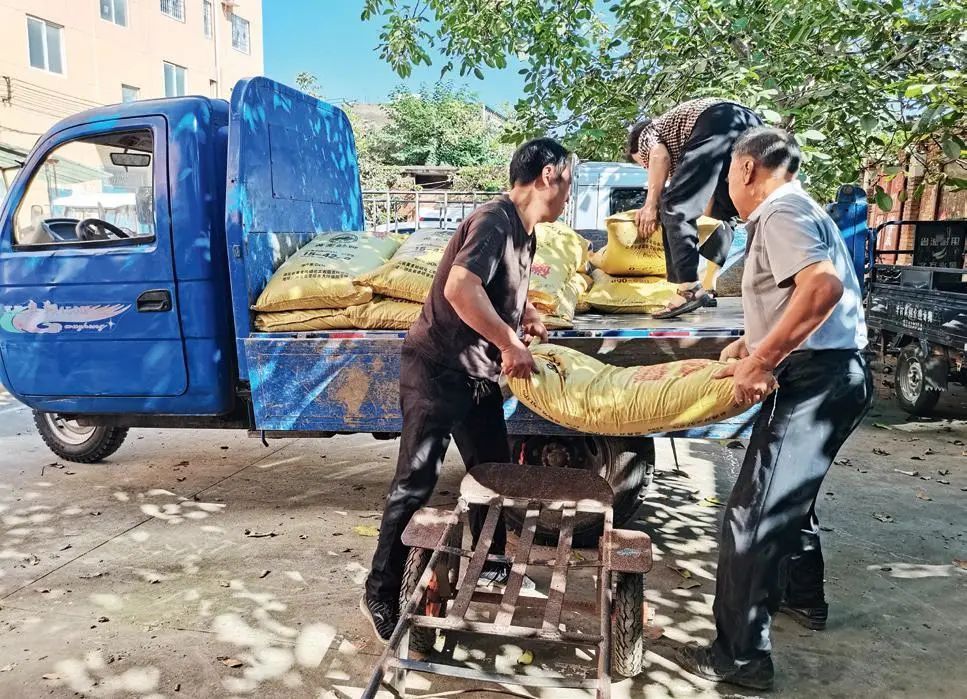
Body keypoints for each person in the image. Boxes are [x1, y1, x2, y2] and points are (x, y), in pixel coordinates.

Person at [672, 127, 872, 690]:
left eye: (727, 175)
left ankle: (741, 660)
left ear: (746, 170)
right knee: (787, 499)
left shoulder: (783, 214)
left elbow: (821, 289)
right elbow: (796, 297)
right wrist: (750, 341)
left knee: (751, 515)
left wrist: (763, 357)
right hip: (831, 375)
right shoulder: (793, 212)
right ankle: (803, 601)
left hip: (816, 379)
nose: (727, 186)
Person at [361, 138, 573, 643]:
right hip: (437, 370)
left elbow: (502, 291)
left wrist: (527, 315)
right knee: (415, 483)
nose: (570, 192)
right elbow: (460, 288)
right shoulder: (494, 220)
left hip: (477, 377)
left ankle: (493, 563)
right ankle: (380, 589)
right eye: (570, 179)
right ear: (548, 174)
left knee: (495, 474)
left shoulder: (526, 235)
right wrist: (508, 343)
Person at [626, 98, 762, 318]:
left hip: (718, 120)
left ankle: (689, 289)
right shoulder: (687, 146)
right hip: (751, 123)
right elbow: (705, 208)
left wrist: (651, 205)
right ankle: (712, 286)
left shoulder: (648, 132)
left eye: (644, 163)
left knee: (673, 204)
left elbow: (659, 157)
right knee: (725, 214)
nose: (647, 167)